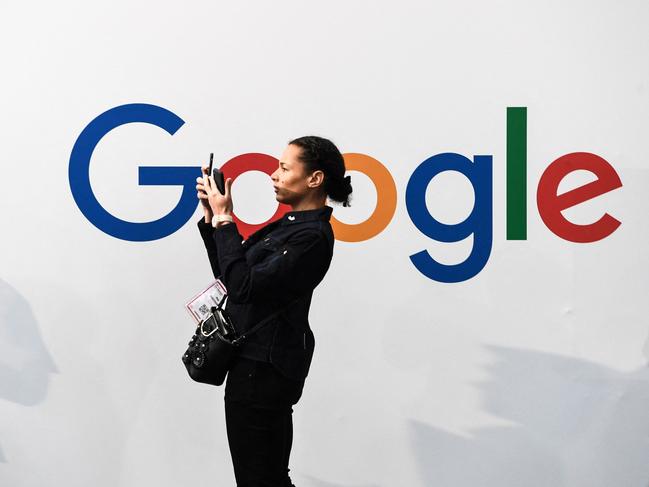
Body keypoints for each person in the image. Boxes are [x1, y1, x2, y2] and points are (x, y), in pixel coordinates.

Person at [196, 135, 353, 486]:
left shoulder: (311, 236)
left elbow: (243, 287)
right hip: (253, 366)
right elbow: (231, 278)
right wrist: (214, 221)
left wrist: (225, 221)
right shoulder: (291, 226)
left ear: (314, 179)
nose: (273, 175)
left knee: (261, 479)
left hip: (264, 371)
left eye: (284, 167)